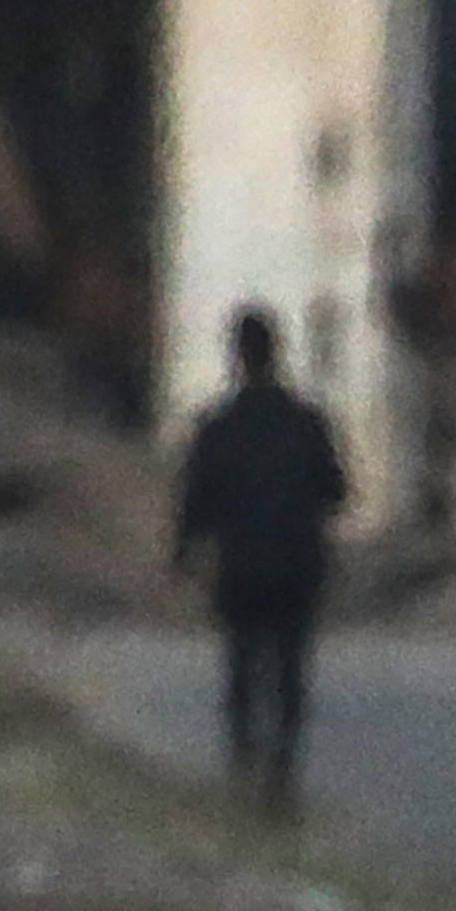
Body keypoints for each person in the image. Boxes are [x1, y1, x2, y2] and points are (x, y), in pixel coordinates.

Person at [172, 308, 352, 817]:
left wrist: (182, 556)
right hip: (296, 565)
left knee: (243, 666)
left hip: (240, 566)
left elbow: (194, 502)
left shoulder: (218, 427)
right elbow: (336, 491)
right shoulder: (307, 422)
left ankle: (243, 764)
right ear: (277, 352)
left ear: (236, 356)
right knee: (290, 670)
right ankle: (281, 772)